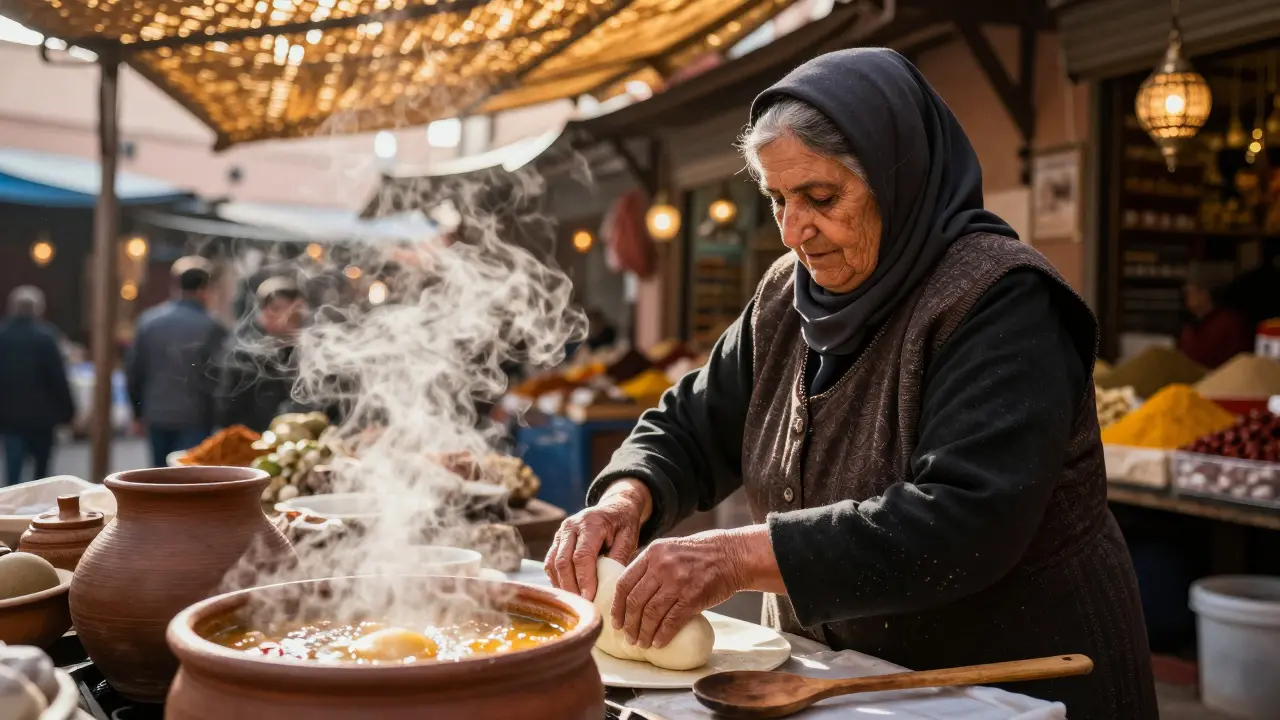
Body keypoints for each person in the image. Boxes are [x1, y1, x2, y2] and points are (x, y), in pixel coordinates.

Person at [546, 49, 1156, 717]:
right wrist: (626, 499)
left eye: (821, 197)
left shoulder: (1002, 300)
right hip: (843, 684)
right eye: (777, 199)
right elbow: (692, 423)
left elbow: (964, 519)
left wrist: (737, 556)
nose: (793, 230)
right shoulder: (787, 297)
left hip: (1014, 683)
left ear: (898, 179)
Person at [126, 257, 227, 468]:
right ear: (204, 289)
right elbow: (218, 378)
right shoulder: (212, 328)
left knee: (159, 478)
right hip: (196, 417)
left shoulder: (149, 321)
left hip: (156, 413)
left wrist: (137, 413)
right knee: (189, 480)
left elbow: (135, 371)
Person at [0, 287, 74, 486]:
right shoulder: (46, 337)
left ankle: (8, 513)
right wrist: (68, 412)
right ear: (38, 309)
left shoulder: (2, 336)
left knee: (13, 474)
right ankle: (39, 513)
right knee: (41, 477)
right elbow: (58, 378)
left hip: (10, 417)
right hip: (42, 418)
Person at [216, 276, 307, 432]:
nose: (290, 318)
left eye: (296, 311)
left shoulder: (303, 350)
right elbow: (230, 406)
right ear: (266, 312)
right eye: (280, 309)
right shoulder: (244, 352)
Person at [1179, 263, 1254, 369]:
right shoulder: (1189, 327)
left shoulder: (1229, 324)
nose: (1187, 296)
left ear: (1204, 294)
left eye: (1191, 292)